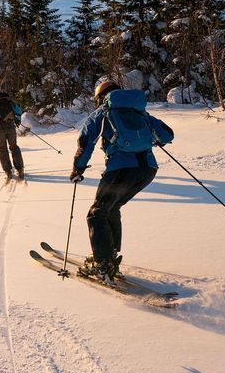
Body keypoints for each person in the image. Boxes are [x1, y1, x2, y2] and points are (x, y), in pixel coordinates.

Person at [70, 80, 174, 284]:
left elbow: (86, 143)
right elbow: (167, 134)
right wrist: (154, 140)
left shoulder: (101, 114)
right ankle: (110, 254)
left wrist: (78, 169)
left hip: (121, 170)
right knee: (112, 207)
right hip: (147, 170)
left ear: (101, 97)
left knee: (97, 213)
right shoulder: (140, 113)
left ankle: (103, 264)